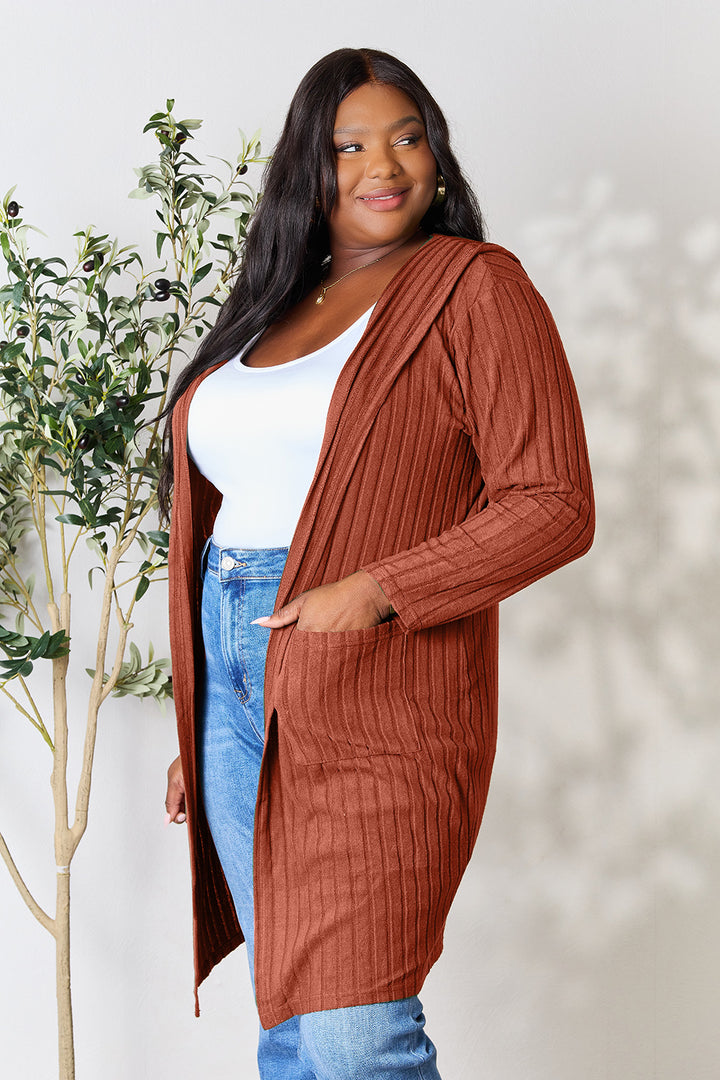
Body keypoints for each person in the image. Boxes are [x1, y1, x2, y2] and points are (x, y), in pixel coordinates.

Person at [161, 47, 594, 1080]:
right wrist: (209, 709)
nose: (381, 165)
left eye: (406, 137)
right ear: (308, 170)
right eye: (348, 145)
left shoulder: (474, 289)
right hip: (235, 685)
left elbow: (554, 506)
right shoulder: (271, 305)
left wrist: (379, 591)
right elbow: (226, 510)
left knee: (359, 1034)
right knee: (293, 1022)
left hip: (375, 689)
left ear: (437, 158)